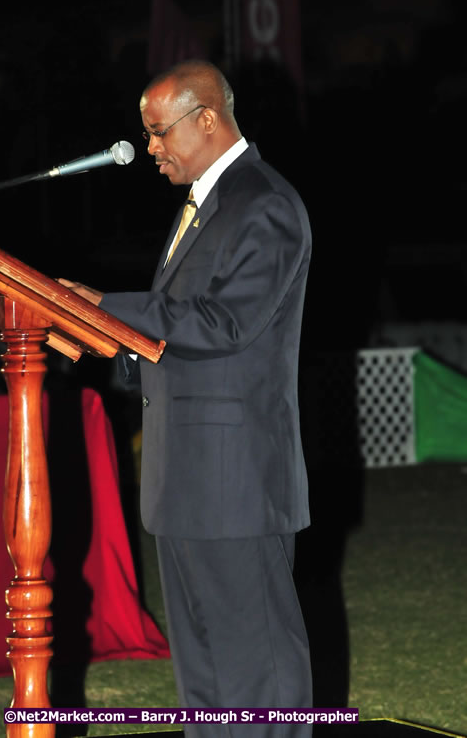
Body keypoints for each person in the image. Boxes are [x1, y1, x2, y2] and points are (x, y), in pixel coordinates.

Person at [60, 60, 313, 736]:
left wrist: (106, 308)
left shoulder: (266, 203)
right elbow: (174, 335)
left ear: (206, 117)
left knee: (257, 671)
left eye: (157, 132)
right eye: (146, 135)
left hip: (236, 483)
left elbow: (226, 323)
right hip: (184, 480)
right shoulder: (201, 205)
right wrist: (101, 339)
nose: (149, 149)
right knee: (203, 680)